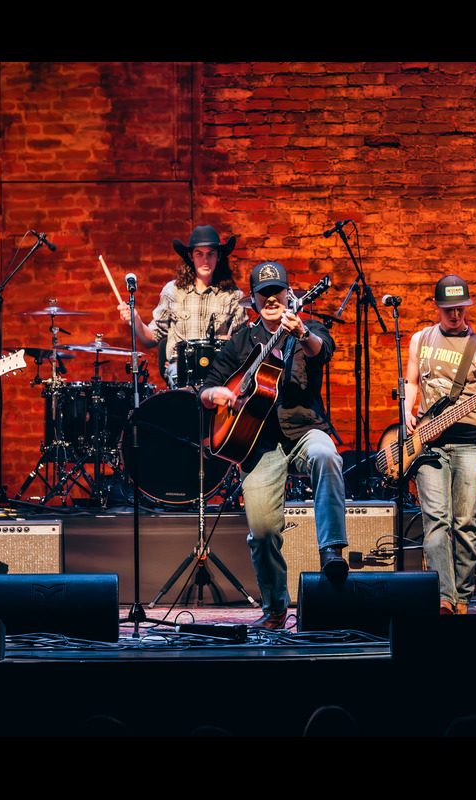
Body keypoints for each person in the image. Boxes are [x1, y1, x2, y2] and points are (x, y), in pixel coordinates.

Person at [199, 261, 346, 629]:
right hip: (257, 444)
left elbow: (322, 351)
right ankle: (276, 608)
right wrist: (219, 394)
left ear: (290, 295)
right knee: (262, 532)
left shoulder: (306, 329)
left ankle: (331, 549)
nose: (271, 299)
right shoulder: (240, 343)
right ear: (252, 300)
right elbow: (207, 389)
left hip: (303, 430)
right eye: (264, 294)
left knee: (326, 454)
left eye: (277, 293)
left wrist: (304, 336)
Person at [403, 275, 476, 615]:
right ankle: (445, 598)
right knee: (436, 520)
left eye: (460, 309)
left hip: (468, 445)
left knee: (465, 524)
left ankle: (462, 598)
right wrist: (407, 411)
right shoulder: (420, 339)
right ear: (438, 308)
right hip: (429, 444)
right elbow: (412, 382)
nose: (455, 315)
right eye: (448, 309)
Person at [118, 225, 247, 388]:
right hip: (180, 371)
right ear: (190, 256)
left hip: (218, 372)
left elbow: (242, 347)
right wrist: (136, 320)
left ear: (219, 256)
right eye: (199, 254)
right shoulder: (173, 291)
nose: (205, 261)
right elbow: (151, 338)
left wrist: (229, 343)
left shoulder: (234, 296)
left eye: (210, 254)